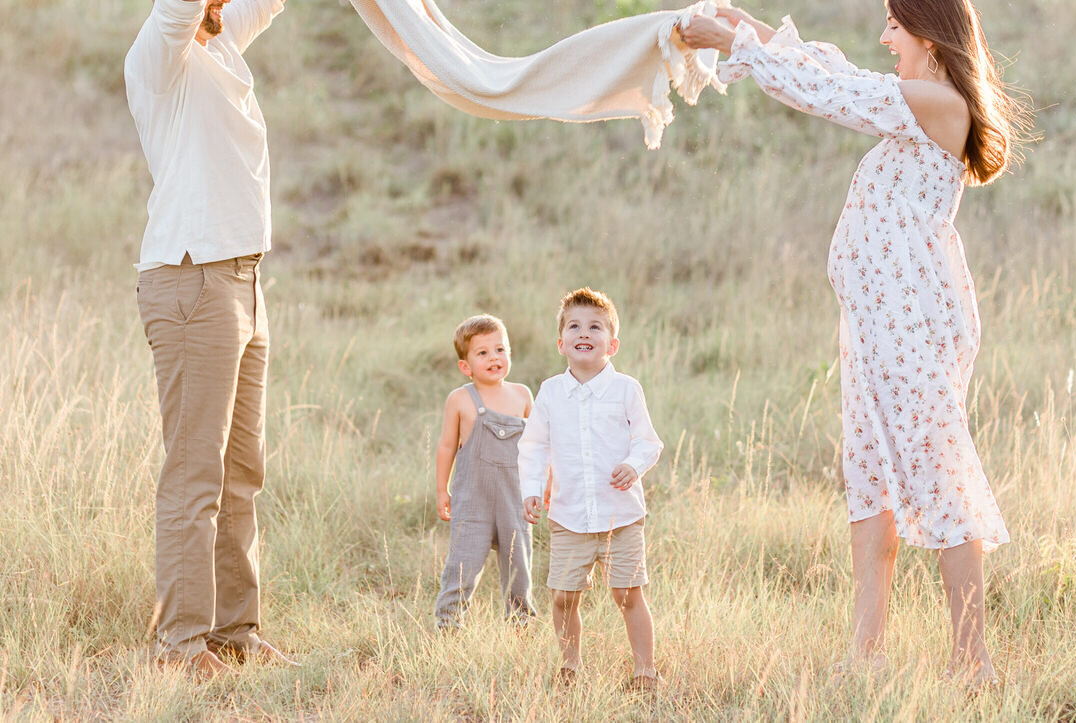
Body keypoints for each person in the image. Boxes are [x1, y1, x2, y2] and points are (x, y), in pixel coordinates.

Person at [682, 0, 1030, 685]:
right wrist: (747, 26)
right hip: (875, 322)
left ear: (927, 34)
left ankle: (973, 659)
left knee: (939, 472)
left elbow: (828, 92)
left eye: (894, 26)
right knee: (869, 479)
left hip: (911, 318)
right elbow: (824, 67)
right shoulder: (917, 96)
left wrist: (731, 43)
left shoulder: (937, 99)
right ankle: (864, 653)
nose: (883, 37)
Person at [125, 0, 293, 676]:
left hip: (244, 280)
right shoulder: (160, 51)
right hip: (192, 279)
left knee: (241, 471)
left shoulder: (223, 44)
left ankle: (233, 631)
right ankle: (180, 644)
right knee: (196, 471)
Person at [519, 288, 664, 690]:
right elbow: (533, 447)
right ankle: (570, 666)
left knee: (627, 593)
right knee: (563, 596)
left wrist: (632, 466)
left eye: (595, 326)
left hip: (621, 515)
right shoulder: (550, 392)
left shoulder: (626, 389)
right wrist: (532, 489)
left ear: (612, 344)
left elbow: (648, 442)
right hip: (568, 515)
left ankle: (645, 670)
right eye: (575, 325)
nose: (585, 332)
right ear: (561, 342)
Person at [433, 315, 538, 629]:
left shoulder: (522, 395)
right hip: (472, 504)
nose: (494, 357)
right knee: (462, 568)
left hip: (513, 502)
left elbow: (536, 448)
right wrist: (442, 490)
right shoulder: (461, 400)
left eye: (500, 349)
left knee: (519, 569)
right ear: (465, 366)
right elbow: (447, 447)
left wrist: (543, 485)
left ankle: (520, 626)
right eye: (483, 353)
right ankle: (449, 624)